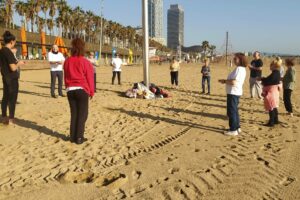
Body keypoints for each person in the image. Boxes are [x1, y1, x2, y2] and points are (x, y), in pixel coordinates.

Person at [64, 38, 94, 145]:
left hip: (70, 89)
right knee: (83, 114)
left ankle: (72, 136)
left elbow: (66, 75)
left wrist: (67, 86)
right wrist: (91, 91)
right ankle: (79, 137)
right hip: (81, 89)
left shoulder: (67, 61)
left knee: (74, 114)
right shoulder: (85, 61)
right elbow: (90, 78)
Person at [0, 31, 25, 125]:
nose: (15, 44)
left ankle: (3, 116)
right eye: (14, 42)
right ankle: (11, 118)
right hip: (12, 78)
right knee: (12, 98)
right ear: (11, 41)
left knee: (5, 97)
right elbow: (13, 67)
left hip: (5, 77)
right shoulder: (8, 52)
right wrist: (19, 63)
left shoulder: (1, 51)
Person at [219, 53, 247, 136]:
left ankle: (233, 129)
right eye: (234, 58)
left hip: (233, 92)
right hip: (235, 92)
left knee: (231, 111)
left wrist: (224, 81)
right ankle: (237, 127)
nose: (234, 60)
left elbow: (233, 82)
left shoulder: (239, 69)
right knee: (234, 111)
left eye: (236, 58)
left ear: (241, 59)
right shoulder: (241, 69)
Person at [260, 60, 281, 127]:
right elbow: (269, 80)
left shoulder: (275, 73)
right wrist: (263, 79)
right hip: (274, 92)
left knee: (271, 107)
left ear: (274, 66)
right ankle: (276, 120)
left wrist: (262, 79)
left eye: (271, 65)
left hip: (271, 92)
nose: (270, 66)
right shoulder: (276, 73)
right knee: (274, 106)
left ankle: (271, 122)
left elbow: (269, 81)